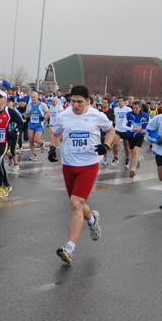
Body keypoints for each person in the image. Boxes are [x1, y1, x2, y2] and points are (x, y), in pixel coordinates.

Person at [48, 85, 115, 265]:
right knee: (78, 204)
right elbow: (55, 133)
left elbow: (111, 131)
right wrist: (53, 148)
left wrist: (106, 146)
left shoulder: (97, 116)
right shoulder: (63, 116)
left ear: (87, 101)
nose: (75, 105)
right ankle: (92, 219)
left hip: (88, 164)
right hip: (69, 164)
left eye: (79, 102)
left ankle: (69, 248)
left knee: (76, 203)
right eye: (72, 101)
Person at [125, 101, 150, 178]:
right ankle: (139, 159)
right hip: (130, 135)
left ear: (140, 107)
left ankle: (133, 170)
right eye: (133, 108)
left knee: (136, 151)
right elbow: (123, 126)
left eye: (136, 108)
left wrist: (145, 130)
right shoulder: (129, 114)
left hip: (139, 135)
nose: (135, 109)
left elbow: (151, 126)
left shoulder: (146, 116)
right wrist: (132, 129)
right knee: (133, 153)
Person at [25, 91, 49, 161]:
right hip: (31, 124)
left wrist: (44, 117)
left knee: (36, 139)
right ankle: (33, 154)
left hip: (39, 124)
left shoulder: (42, 105)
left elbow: (48, 112)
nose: (33, 99)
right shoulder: (29, 105)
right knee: (31, 140)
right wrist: (23, 118)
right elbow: (27, 114)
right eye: (31, 97)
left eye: (34, 97)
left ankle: (42, 143)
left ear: (37, 97)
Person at [112, 97, 132, 167]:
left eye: (121, 101)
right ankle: (115, 157)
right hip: (118, 129)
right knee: (115, 143)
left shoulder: (128, 109)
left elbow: (130, 119)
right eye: (119, 101)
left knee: (126, 146)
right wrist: (114, 125)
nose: (120, 102)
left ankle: (127, 159)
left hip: (125, 130)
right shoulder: (116, 109)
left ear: (124, 102)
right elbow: (115, 118)